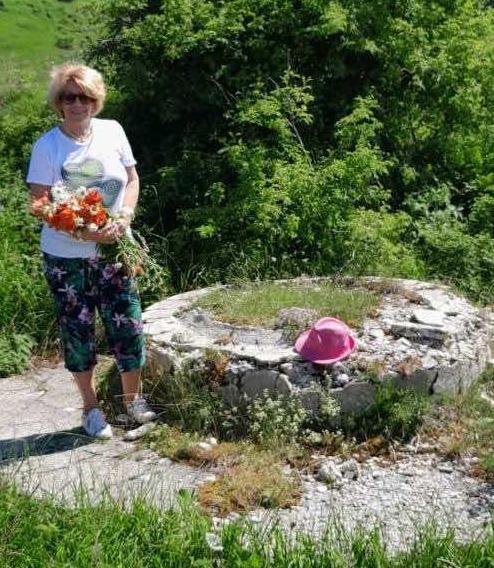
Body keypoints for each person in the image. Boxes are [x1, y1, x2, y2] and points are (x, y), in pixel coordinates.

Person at [27, 63, 156, 439]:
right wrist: (85, 232)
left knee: (128, 324)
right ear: (59, 103)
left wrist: (126, 215)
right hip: (66, 260)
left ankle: (133, 403)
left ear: (95, 100)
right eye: (69, 97)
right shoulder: (48, 146)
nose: (77, 104)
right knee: (77, 332)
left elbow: (131, 178)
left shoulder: (113, 131)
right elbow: (40, 203)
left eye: (84, 96)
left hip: (116, 250)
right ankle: (91, 409)